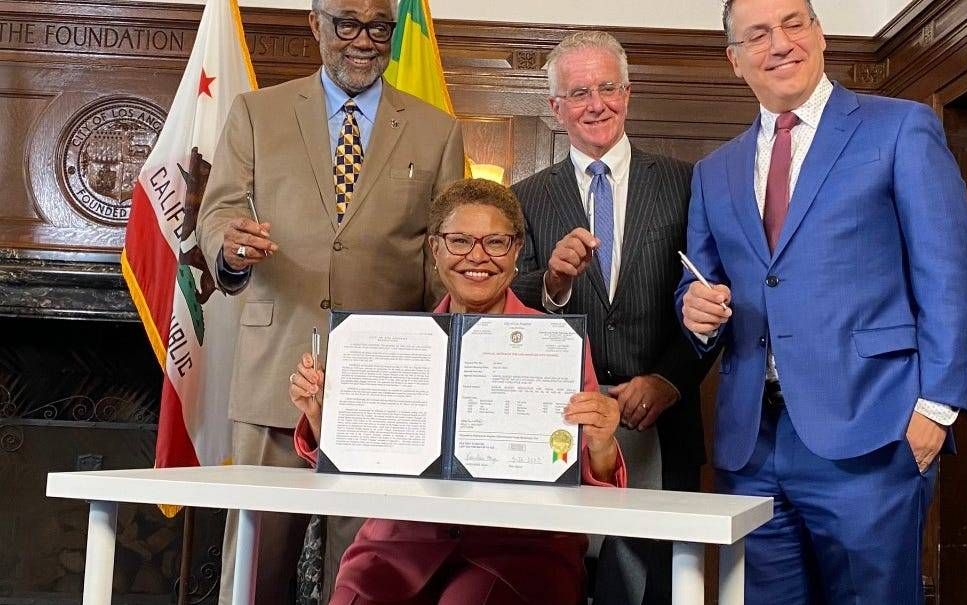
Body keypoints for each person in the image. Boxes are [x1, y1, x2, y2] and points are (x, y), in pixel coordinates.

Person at [676, 0, 967, 602]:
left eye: (794, 23)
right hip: (750, 447)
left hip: (873, 434)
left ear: (819, 34)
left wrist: (937, 408)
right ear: (735, 60)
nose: (779, 43)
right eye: (758, 34)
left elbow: (948, 271)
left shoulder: (900, 128)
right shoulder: (714, 170)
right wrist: (695, 311)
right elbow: (699, 283)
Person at [195, 0, 465, 600]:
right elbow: (220, 212)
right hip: (275, 374)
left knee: (364, 574)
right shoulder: (256, 112)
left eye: (379, 27)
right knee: (256, 570)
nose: (363, 41)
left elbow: (443, 260)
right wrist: (229, 249)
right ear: (314, 24)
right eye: (347, 23)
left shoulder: (437, 130)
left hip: (387, 391)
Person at [287, 178, 627, 605]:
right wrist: (322, 415)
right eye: (460, 240)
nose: (477, 256)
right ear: (435, 249)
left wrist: (602, 441)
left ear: (517, 250)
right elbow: (356, 463)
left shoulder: (557, 345)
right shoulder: (393, 345)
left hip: (520, 545)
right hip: (401, 542)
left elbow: (593, 485)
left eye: (496, 242)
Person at [511, 31, 711, 604]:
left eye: (607, 88)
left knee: (651, 591)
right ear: (556, 107)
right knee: (556, 586)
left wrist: (669, 380)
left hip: (661, 424)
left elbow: (712, 301)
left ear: (627, 93)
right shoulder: (525, 196)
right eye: (579, 93)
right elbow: (506, 308)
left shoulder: (686, 183)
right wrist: (553, 282)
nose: (595, 104)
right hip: (560, 428)